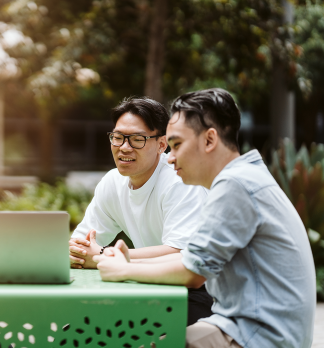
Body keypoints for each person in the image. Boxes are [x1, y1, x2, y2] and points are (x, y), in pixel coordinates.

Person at [94, 88, 316, 348]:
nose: (171, 157)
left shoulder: (236, 184)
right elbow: (193, 258)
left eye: (176, 145)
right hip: (245, 327)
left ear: (210, 140)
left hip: (259, 336)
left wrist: (124, 270)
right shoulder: (244, 177)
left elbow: (193, 272)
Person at [69, 96, 212, 325]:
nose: (124, 147)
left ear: (162, 144)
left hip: (200, 294)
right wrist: (78, 251)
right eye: (117, 138)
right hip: (147, 285)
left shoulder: (181, 181)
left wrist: (102, 255)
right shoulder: (112, 183)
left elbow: (182, 256)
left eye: (137, 139)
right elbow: (83, 242)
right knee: (74, 325)